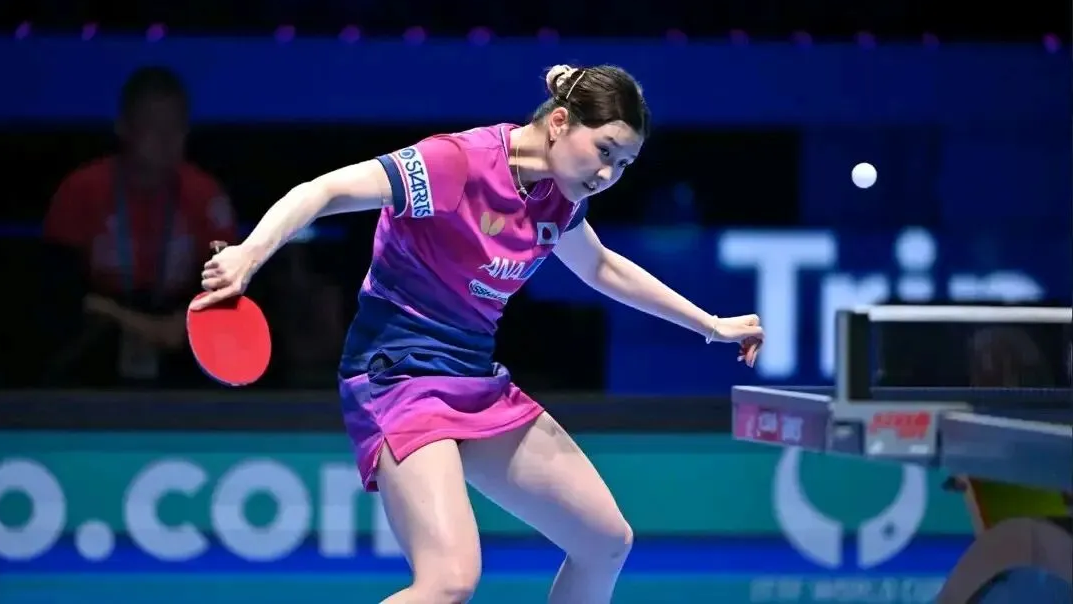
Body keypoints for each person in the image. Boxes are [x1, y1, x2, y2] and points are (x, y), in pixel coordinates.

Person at [191, 64, 764, 603]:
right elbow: (324, 191)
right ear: (559, 123)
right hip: (397, 374)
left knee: (605, 541)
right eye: (604, 151)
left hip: (472, 377)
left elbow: (601, 267)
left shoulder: (558, 198)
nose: (607, 175)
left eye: (624, 164)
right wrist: (249, 255)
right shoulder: (456, 163)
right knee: (449, 581)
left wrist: (710, 325)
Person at [42, 66, 237, 388]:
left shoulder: (206, 196)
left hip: (180, 328)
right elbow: (59, 292)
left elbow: (226, 288)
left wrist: (179, 323)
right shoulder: (80, 191)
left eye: (175, 127)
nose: (166, 139)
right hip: (99, 334)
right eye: (153, 126)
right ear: (123, 128)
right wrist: (133, 323)